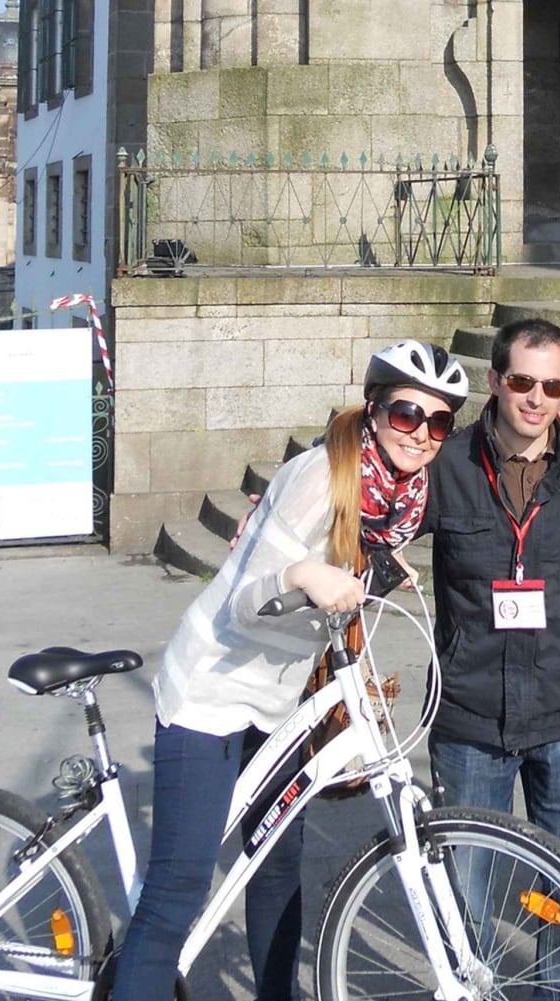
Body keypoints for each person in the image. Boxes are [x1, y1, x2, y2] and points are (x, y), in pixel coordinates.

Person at [112, 341, 468, 1001]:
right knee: (175, 894)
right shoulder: (319, 476)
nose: (421, 433)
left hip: (277, 700)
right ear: (374, 408)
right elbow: (248, 598)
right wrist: (304, 574)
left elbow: (343, 585)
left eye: (438, 421)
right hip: (212, 689)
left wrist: (368, 579)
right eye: (406, 413)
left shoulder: (399, 498)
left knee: (276, 868)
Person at [422, 317, 560, 868]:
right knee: (466, 907)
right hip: (471, 718)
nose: (536, 399)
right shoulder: (447, 463)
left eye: (551, 387)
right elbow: (371, 508)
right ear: (494, 381)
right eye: (522, 383)